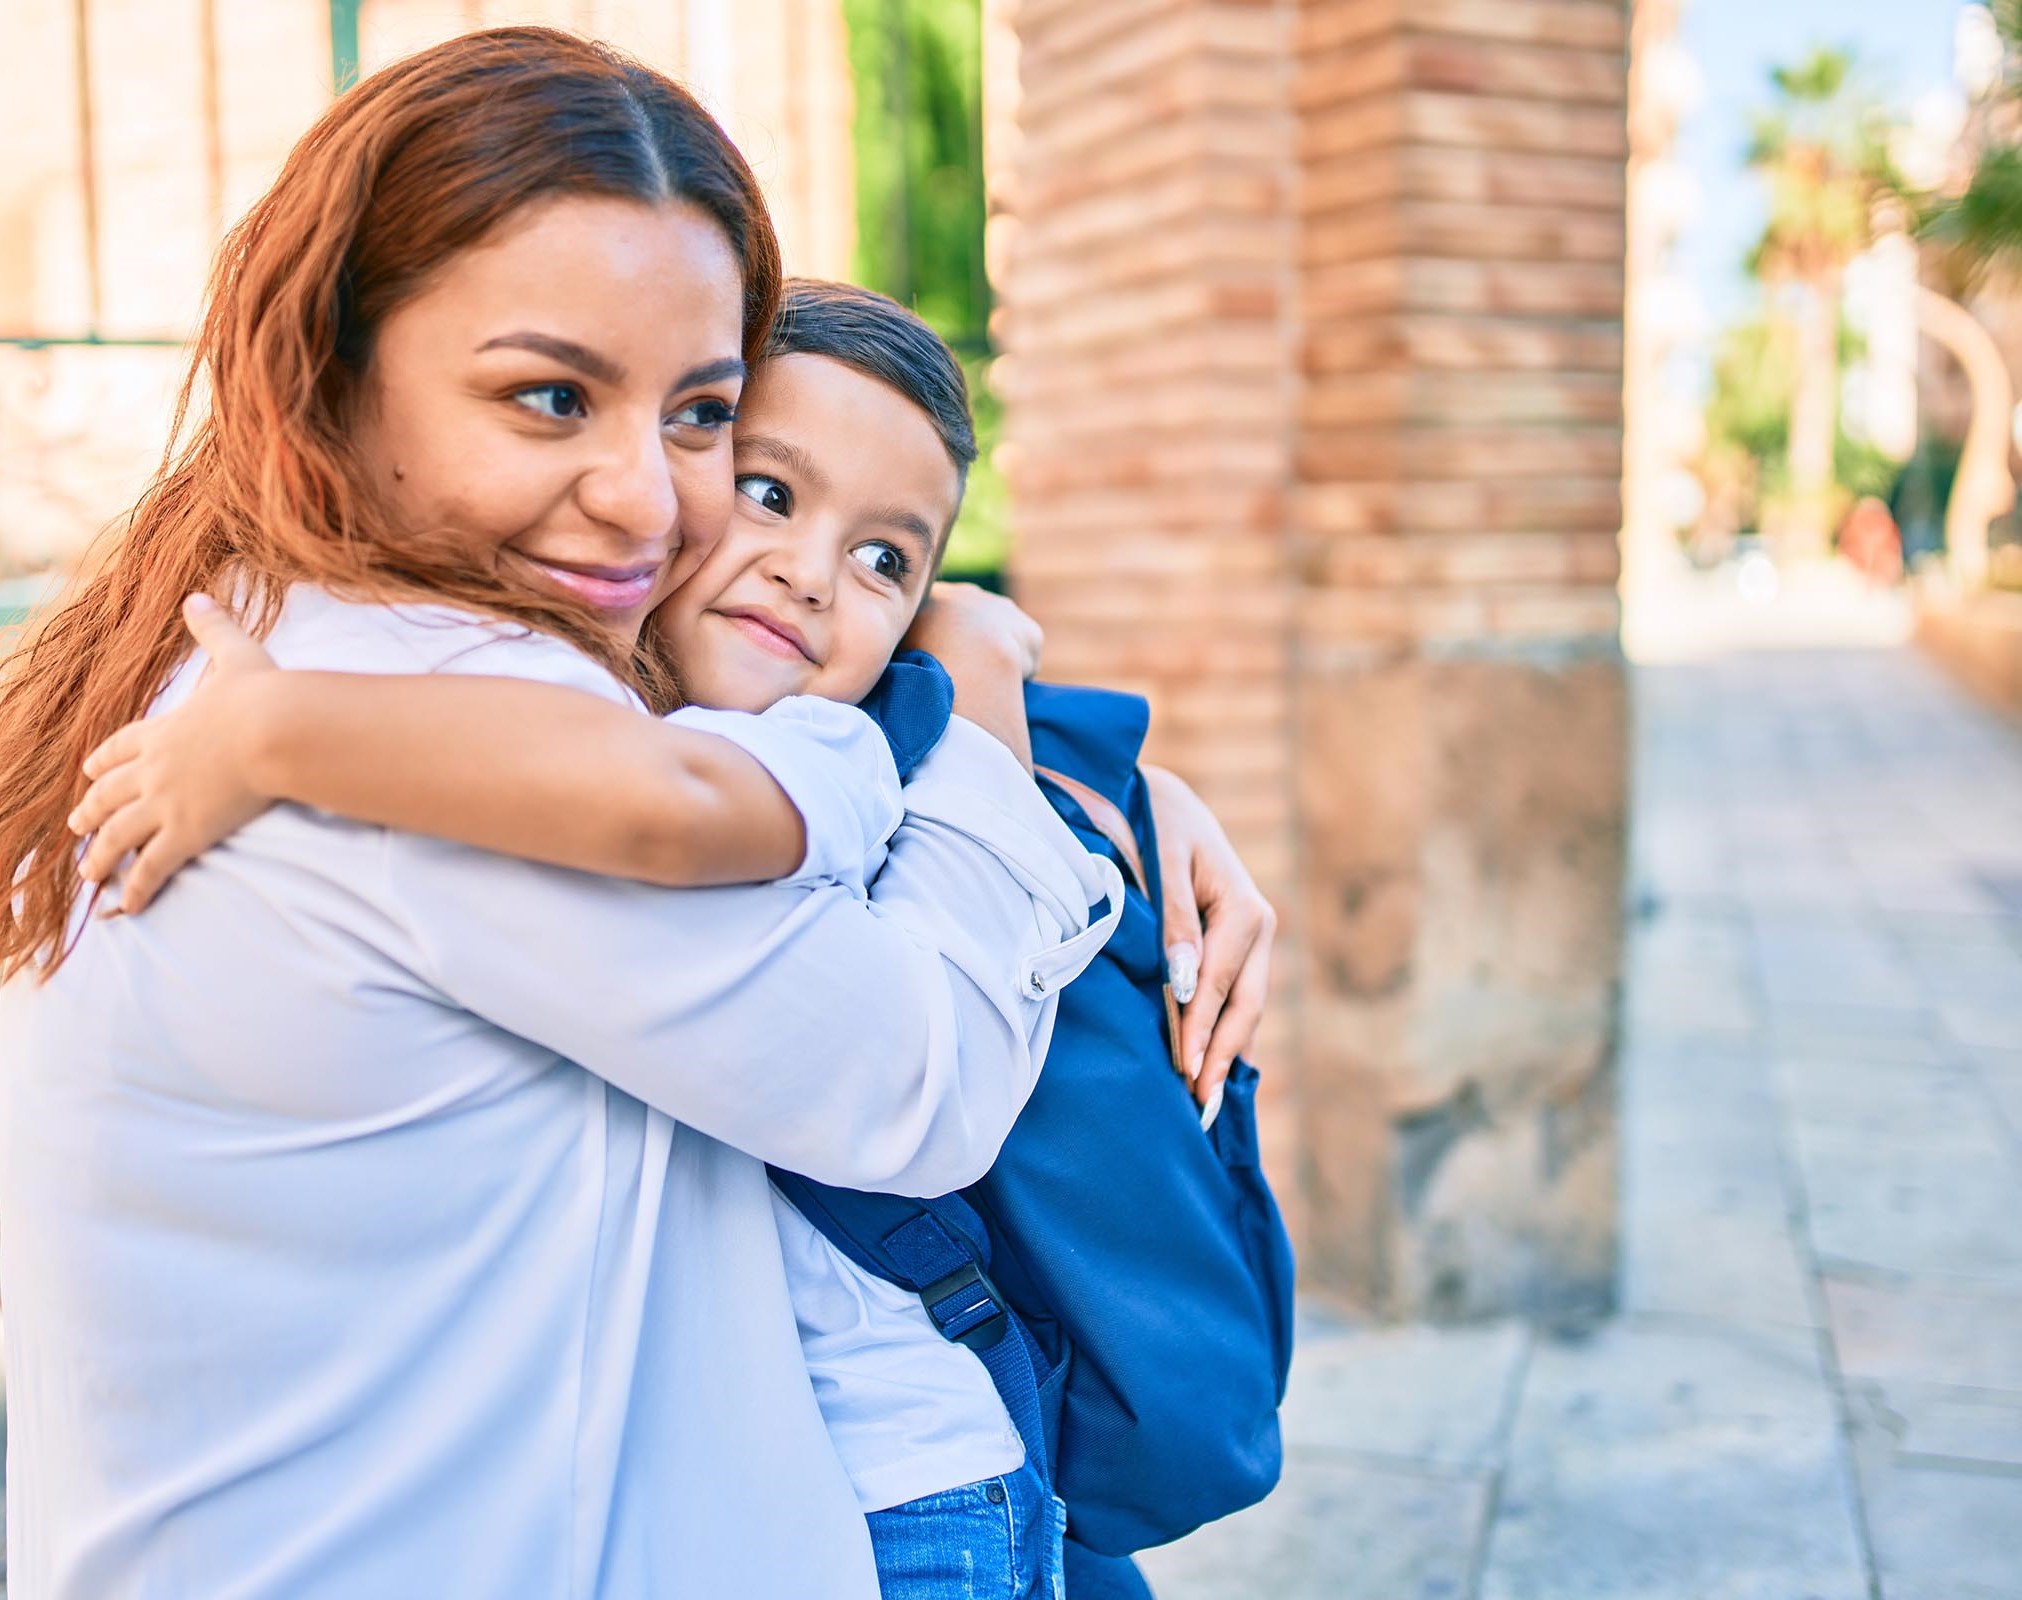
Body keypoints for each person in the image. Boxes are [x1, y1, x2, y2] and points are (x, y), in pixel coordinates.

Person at [0, 31, 1123, 1599]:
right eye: (547, 397)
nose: (651, 504)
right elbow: (911, 1080)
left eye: (698, 413)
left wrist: (1078, 756)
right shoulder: (426, 715)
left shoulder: (243, 627)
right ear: (330, 368)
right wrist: (992, 728)